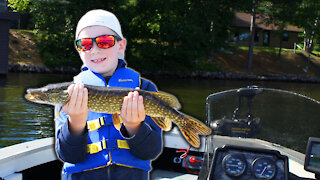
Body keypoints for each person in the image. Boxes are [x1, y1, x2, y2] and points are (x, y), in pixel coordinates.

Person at [54, 9, 163, 180]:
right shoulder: (70, 93)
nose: (94, 50)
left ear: (121, 45)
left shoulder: (144, 88)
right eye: (85, 44)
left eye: (105, 42)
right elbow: (69, 156)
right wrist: (75, 123)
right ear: (79, 49)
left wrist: (134, 126)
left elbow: (151, 151)